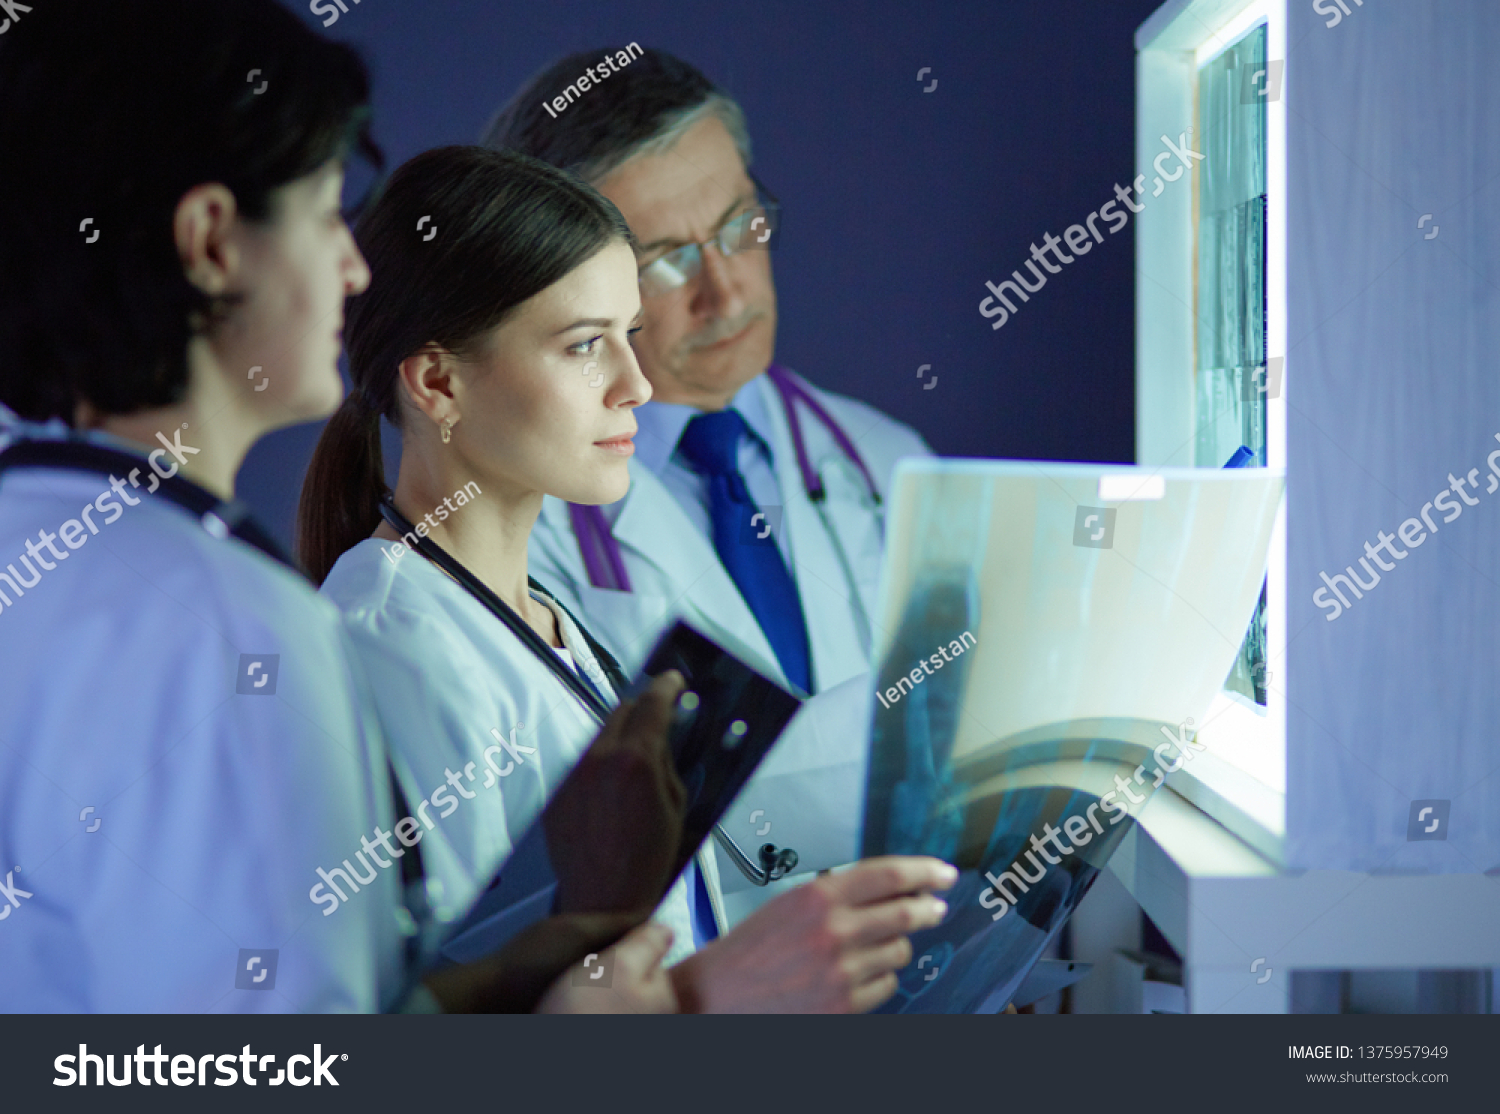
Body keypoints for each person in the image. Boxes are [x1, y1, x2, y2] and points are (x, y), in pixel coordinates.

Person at [0, 0, 687, 1015]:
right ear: (213, 243)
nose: (356, 268)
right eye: (327, 213)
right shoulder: (228, 625)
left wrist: (572, 934)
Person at [299, 143, 958, 1012]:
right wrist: (714, 997)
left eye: (630, 336)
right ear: (437, 382)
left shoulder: (538, 611)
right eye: (583, 346)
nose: (637, 386)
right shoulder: (398, 644)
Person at [483, 49, 932, 920]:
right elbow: (541, 894)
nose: (725, 292)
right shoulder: (515, 536)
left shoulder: (887, 462)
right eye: (665, 261)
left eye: (738, 228)